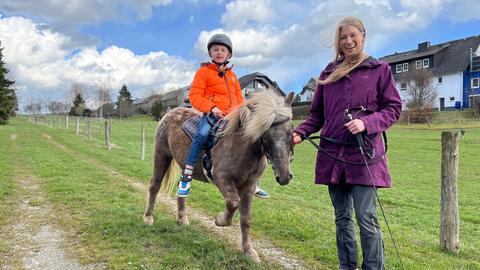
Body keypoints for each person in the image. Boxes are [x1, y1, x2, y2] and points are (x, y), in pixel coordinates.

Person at [292, 16, 402, 270]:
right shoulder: (328, 73)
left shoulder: (379, 70)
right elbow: (317, 115)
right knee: (342, 217)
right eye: (343, 37)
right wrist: (300, 133)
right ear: (338, 42)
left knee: (366, 218)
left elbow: (393, 108)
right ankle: (347, 266)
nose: (349, 41)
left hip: (364, 156)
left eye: (353, 35)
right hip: (333, 156)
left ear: (363, 36)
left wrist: (367, 122)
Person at [177, 33, 270, 198]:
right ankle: (187, 176)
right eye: (215, 49)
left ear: (229, 54)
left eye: (222, 50)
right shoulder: (203, 72)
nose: (219, 52)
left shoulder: (232, 76)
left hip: (233, 116)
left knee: (251, 138)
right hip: (212, 114)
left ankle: (253, 181)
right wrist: (212, 107)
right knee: (202, 134)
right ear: (210, 53)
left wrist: (246, 111)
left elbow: (239, 100)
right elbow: (195, 96)